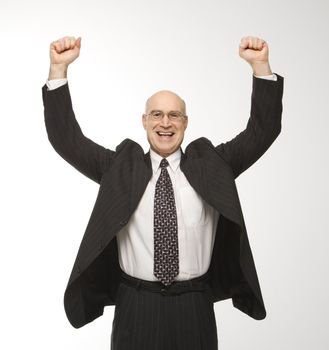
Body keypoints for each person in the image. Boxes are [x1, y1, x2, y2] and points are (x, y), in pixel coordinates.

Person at [42, 35, 284, 350]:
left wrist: (260, 67)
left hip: (194, 305)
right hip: (136, 305)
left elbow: (262, 131)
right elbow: (67, 139)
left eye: (174, 115)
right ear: (144, 121)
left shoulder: (213, 164)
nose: (165, 122)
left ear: (185, 123)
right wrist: (58, 70)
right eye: (156, 114)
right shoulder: (119, 167)